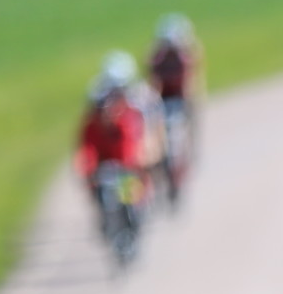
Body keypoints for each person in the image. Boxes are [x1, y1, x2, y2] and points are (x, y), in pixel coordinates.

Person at [74, 53, 153, 210]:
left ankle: (140, 201)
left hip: (124, 164)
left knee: (138, 168)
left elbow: (131, 152)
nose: (107, 112)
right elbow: (87, 151)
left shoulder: (125, 121)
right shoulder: (92, 126)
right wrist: (87, 169)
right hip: (104, 165)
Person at [147, 14, 203, 188]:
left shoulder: (185, 57)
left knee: (191, 117)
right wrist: (153, 100)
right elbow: (153, 81)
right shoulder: (157, 58)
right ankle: (157, 159)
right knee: (155, 124)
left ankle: (192, 148)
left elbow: (189, 83)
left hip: (180, 95)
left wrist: (188, 101)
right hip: (164, 96)